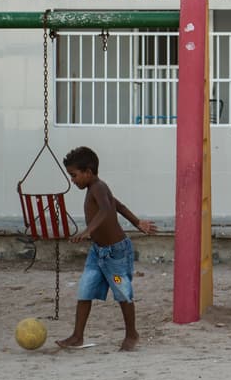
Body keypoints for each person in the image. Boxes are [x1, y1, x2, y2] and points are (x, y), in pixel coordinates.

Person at [56, 146, 158, 352]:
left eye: (74, 175)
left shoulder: (99, 187)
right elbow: (117, 205)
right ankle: (77, 336)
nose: (72, 180)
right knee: (85, 291)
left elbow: (106, 209)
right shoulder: (93, 189)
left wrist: (88, 230)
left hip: (116, 256)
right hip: (97, 254)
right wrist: (138, 222)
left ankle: (132, 334)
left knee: (122, 290)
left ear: (88, 172)